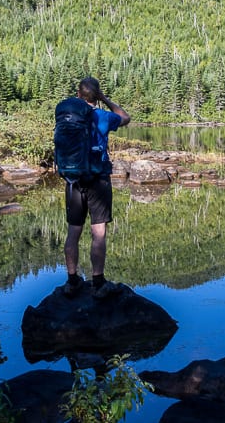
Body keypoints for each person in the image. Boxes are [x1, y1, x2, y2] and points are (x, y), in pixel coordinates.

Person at [61, 76, 131, 298]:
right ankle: (98, 284)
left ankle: (72, 282)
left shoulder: (68, 116)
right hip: (98, 179)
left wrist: (80, 98)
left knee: (74, 231)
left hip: (73, 180)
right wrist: (105, 99)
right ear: (97, 96)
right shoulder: (102, 116)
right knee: (98, 232)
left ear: (79, 94)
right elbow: (125, 117)